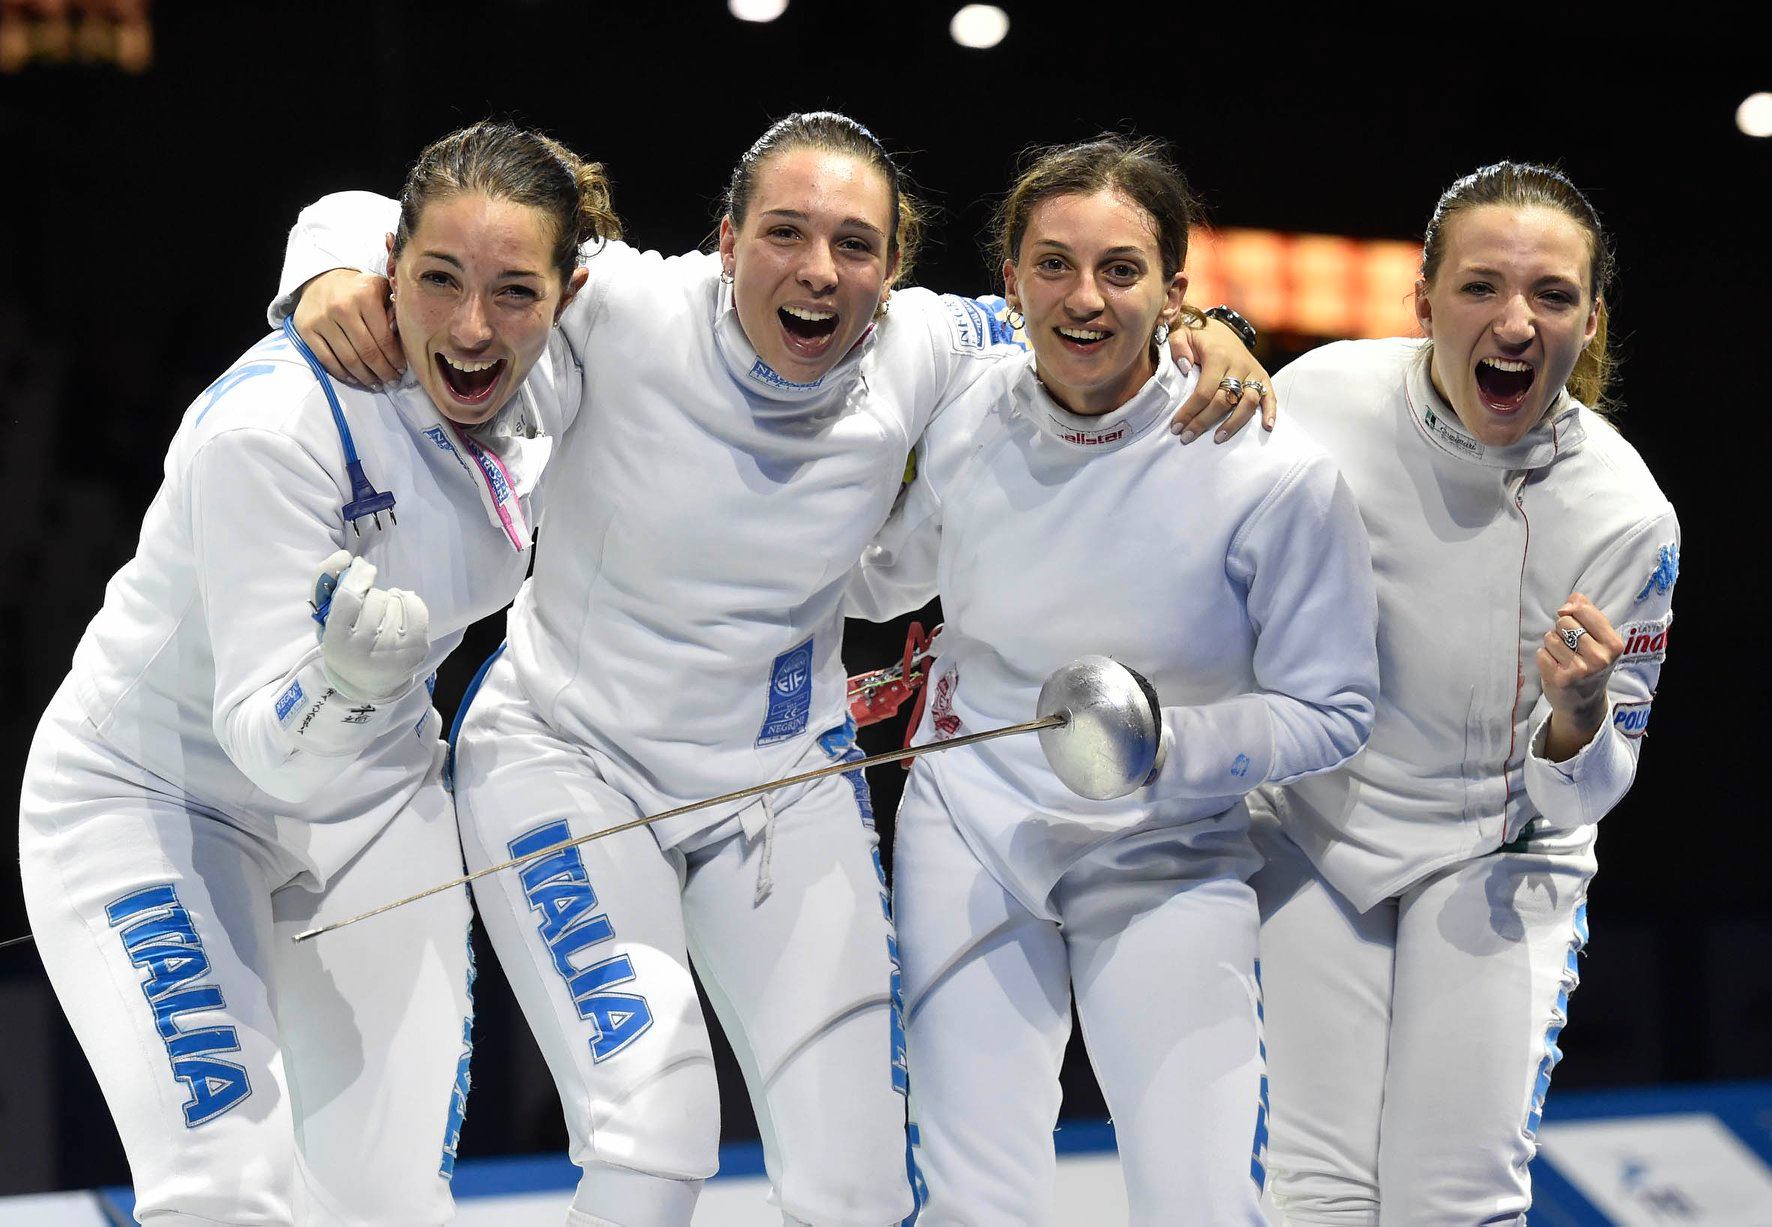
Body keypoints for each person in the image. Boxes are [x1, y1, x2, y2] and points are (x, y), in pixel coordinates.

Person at [276, 114, 1273, 1227]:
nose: (818, 270)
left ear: (890, 272)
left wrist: (1213, 330)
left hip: (780, 784)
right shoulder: (623, 304)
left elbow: (1083, 319)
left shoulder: (928, 343)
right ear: (727, 241)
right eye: (785, 233)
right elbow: (408, 216)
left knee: (860, 1188)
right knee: (652, 1135)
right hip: (565, 765)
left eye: (854, 245)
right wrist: (330, 270)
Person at [17, 120, 611, 1224]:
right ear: (391, 266)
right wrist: (340, 682)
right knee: (225, 1192)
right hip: (152, 798)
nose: (473, 328)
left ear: (568, 295)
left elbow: (733, 300)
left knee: (388, 1205)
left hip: (372, 804)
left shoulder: (567, 353)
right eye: (437, 280)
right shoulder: (269, 430)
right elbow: (265, 748)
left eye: (515, 294)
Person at [842, 136, 1379, 1226]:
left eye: (1120, 270)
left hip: (1167, 848)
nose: (1082, 298)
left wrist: (1165, 745)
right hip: (971, 824)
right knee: (972, 1200)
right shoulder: (962, 411)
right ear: (1010, 282)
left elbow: (1335, 708)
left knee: (1196, 1202)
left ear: (1175, 293)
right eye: (1053, 265)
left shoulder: (1266, 471)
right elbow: (885, 573)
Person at [1248, 163, 1680, 1226]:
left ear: (1590, 322)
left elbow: (1587, 792)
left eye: (1551, 295)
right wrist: (1211, 332)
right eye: (1481, 286)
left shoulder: (1625, 514)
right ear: (1424, 300)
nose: (1515, 322)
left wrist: (1577, 714)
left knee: (1451, 1204)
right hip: (1312, 826)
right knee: (1319, 1192)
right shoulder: (1317, 400)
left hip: (1499, 846)